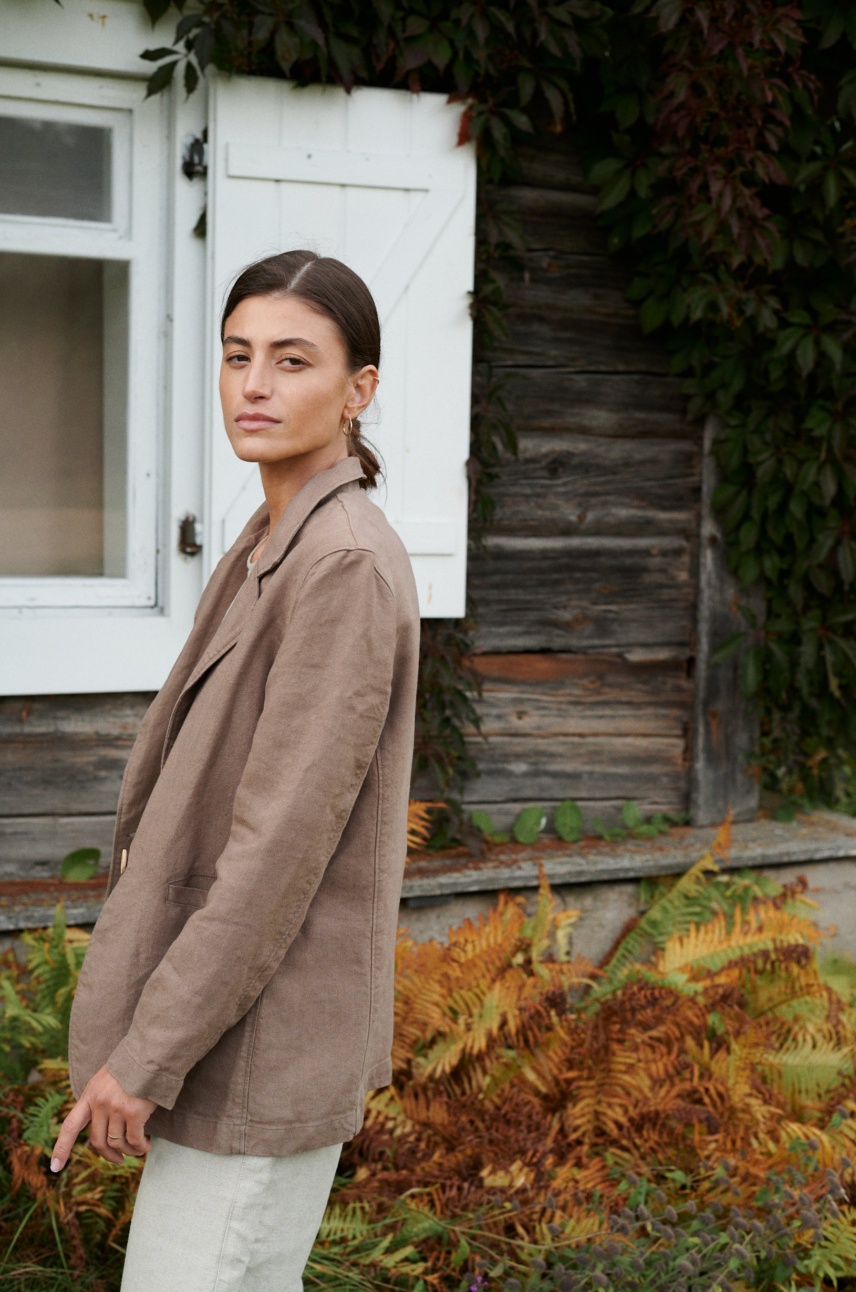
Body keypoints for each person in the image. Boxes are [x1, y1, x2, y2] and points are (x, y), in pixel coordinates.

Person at [50, 250, 421, 1291]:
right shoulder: (273, 538)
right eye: (236, 355)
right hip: (233, 1034)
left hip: (258, 1045)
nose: (254, 384)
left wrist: (149, 1051)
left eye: (291, 359)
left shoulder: (339, 561)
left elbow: (272, 856)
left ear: (358, 390)